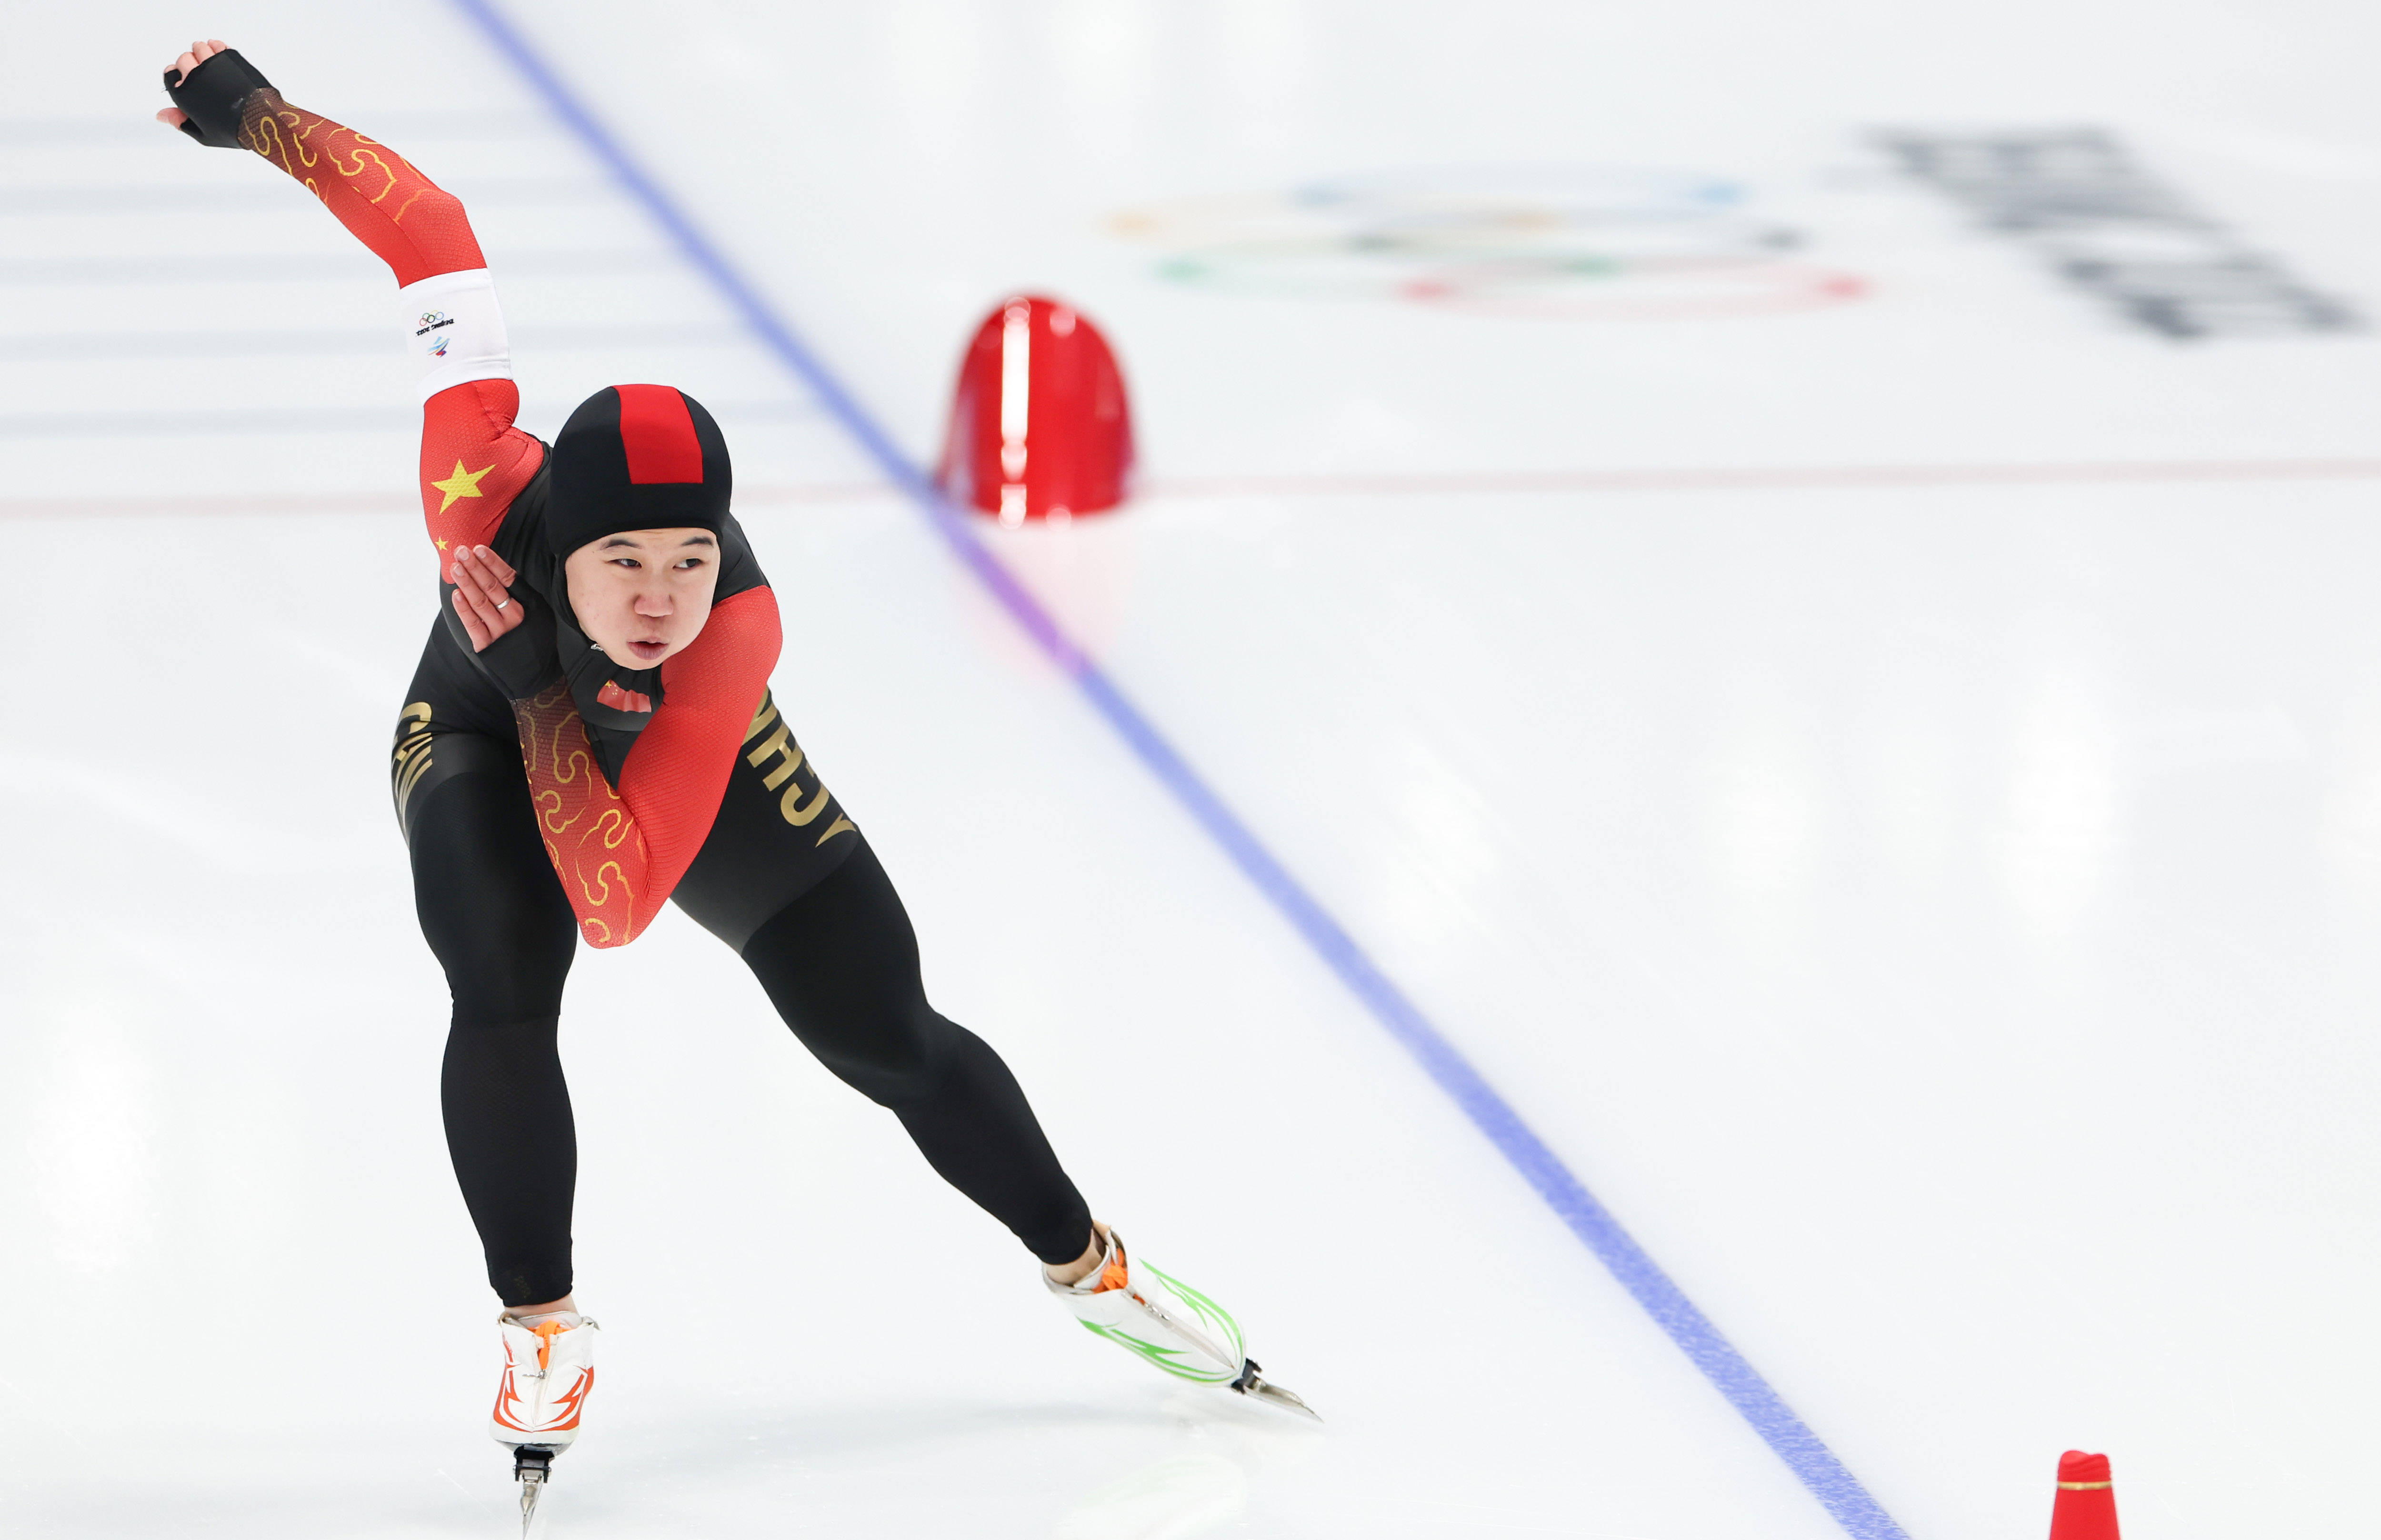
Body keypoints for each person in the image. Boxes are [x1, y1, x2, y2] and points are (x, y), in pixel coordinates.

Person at [155, 34, 1312, 1516]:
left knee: (884, 1029)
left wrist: (552, 684)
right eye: (622, 560)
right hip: (476, 719)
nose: (657, 594)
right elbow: (429, 235)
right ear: (555, 539)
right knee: (500, 974)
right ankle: (542, 1324)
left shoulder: (727, 645)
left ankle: (1093, 1263)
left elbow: (625, 898)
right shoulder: (472, 472)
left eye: (690, 557)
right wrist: (261, 118)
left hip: (639, 752)